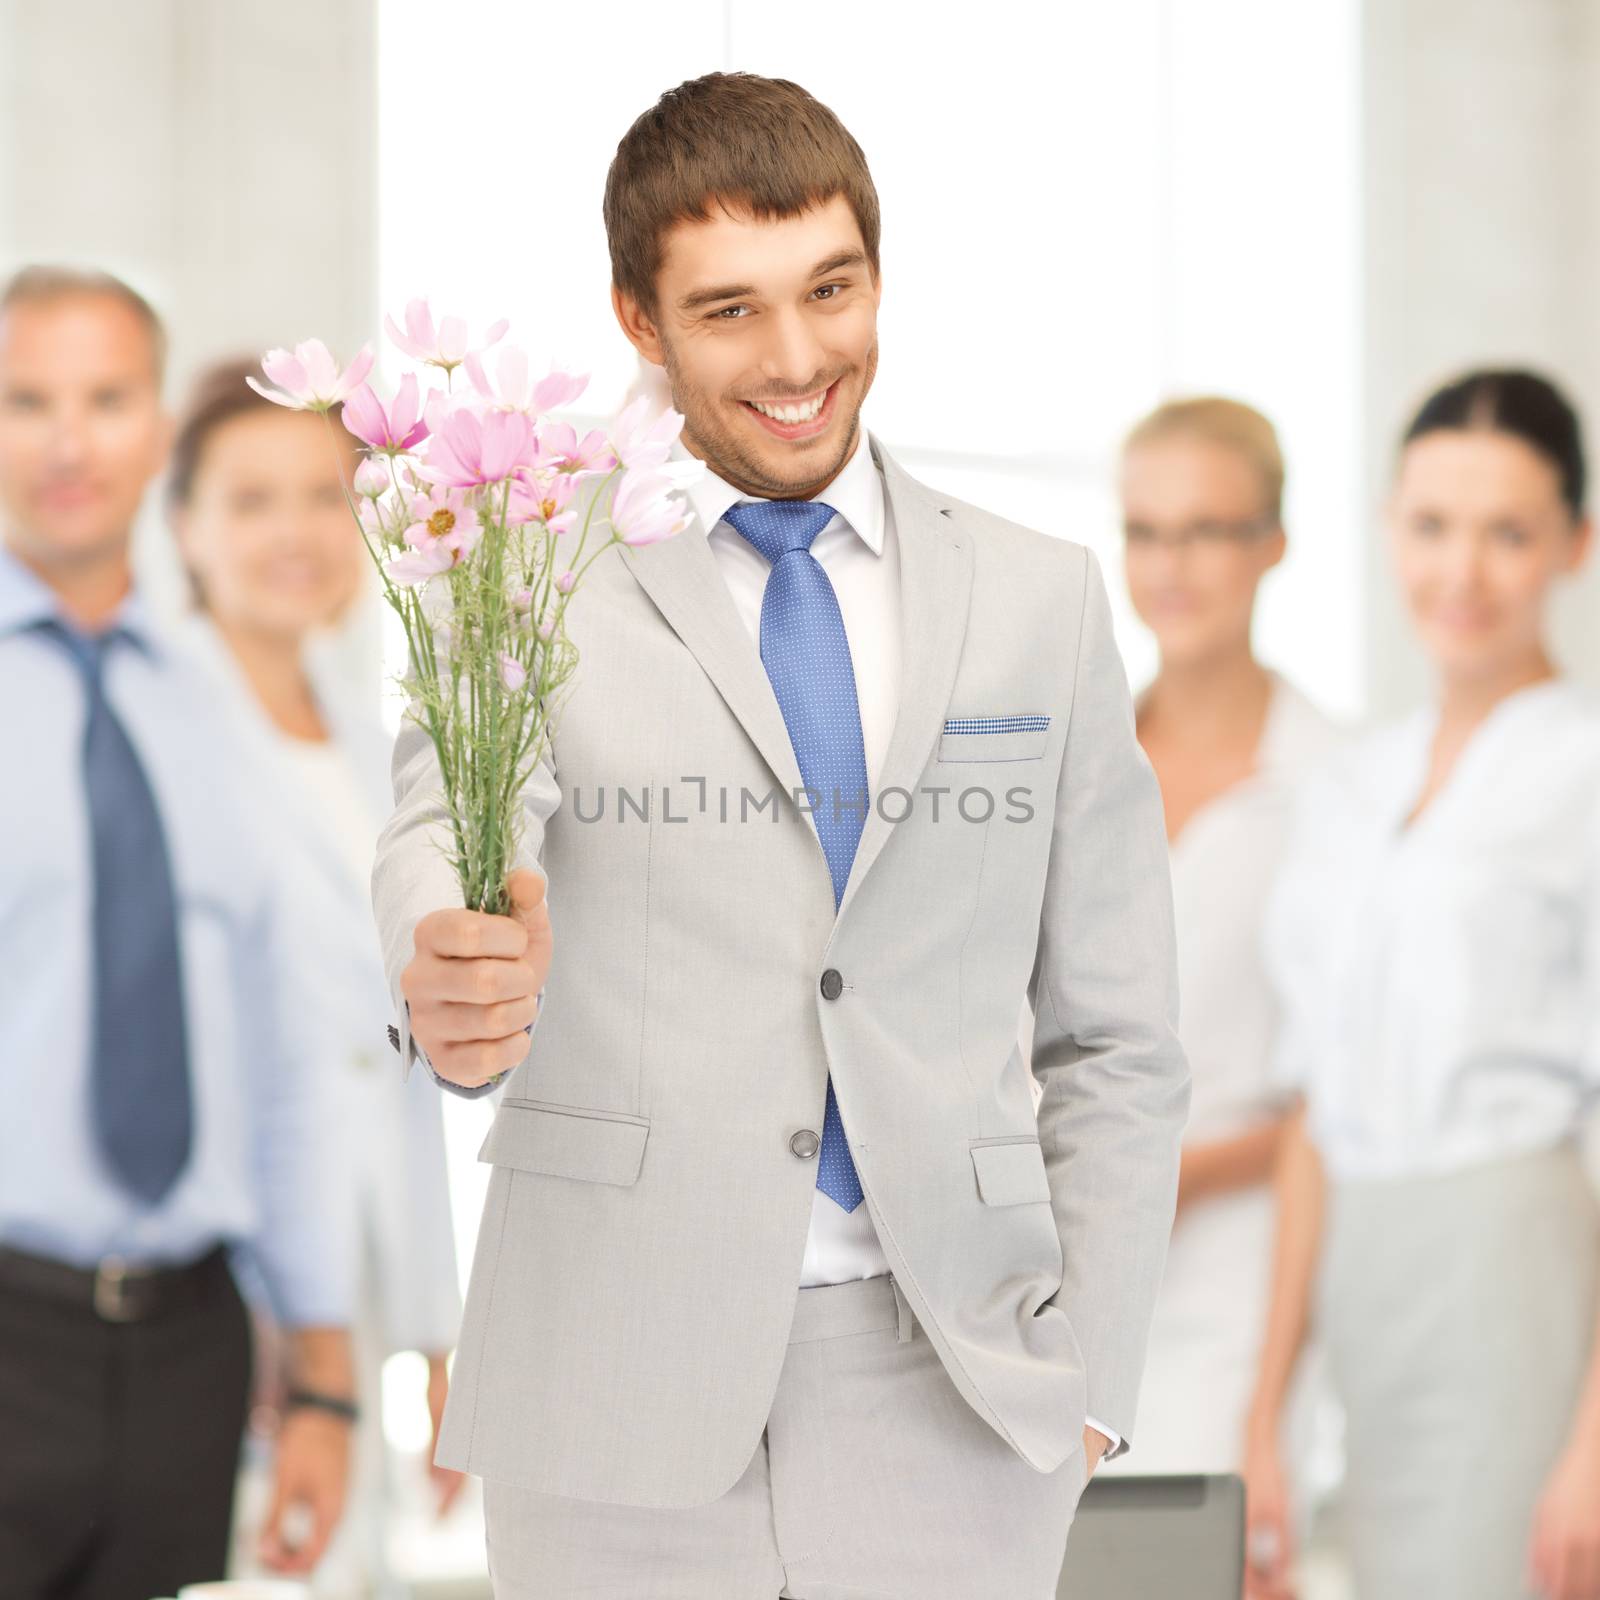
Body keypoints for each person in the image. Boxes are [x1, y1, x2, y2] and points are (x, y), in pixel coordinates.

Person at [375, 72, 1190, 1597]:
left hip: (956, 1385)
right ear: (639, 319)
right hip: (606, 1387)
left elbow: (1119, 1035)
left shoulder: (1041, 597)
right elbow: (443, 822)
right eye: (731, 310)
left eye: (832, 288)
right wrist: (445, 958)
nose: (801, 357)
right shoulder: (527, 574)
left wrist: (1086, 1383)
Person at [0, 266, 355, 1599]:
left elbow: (286, 1063)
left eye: (105, 399)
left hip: (191, 1356)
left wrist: (325, 1384)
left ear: (156, 430)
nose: (71, 440)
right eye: (27, 401)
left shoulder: (218, 719)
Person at [1243, 369, 1600, 1600]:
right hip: (1362, 1277)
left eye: (1508, 533)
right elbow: (1309, 1114)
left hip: (1516, 1269)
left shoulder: (1581, 773)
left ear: (1574, 544)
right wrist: (1264, 1422)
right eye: (1432, 525)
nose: (1463, 571)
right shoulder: (1349, 785)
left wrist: (1595, 1447)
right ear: (1390, 528)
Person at [164, 358, 466, 1592]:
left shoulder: (367, 736)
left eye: (326, 496)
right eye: (251, 500)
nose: (296, 532)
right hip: (227, 1308)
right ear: (182, 526)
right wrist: (276, 1329)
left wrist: (445, 1339)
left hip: (367, 1280)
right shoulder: (154, 725)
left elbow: (398, 1057)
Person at [1096, 398, 1340, 1494]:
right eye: (1145, 531)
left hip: (1241, 1288)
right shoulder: (1077, 761)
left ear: (1272, 544)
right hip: (1060, 1279)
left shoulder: (1338, 784)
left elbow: (1327, 1100)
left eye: (1205, 529)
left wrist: (1174, 1171)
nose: (1170, 564)